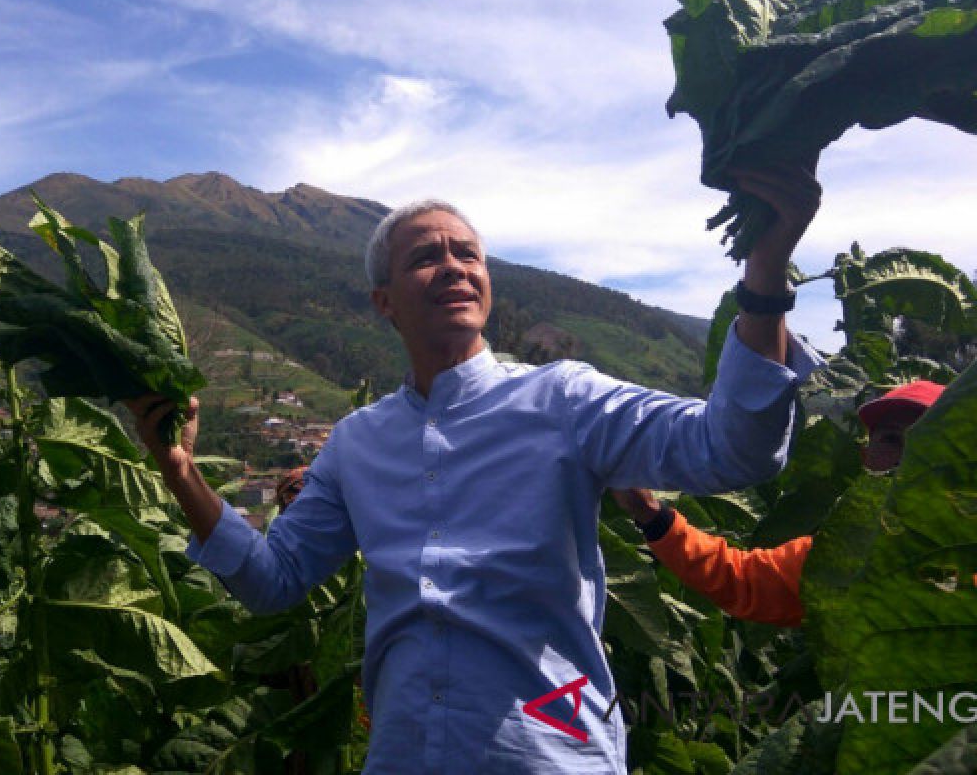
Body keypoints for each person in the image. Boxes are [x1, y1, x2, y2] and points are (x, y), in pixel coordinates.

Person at [127, 163, 823, 774]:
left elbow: (735, 448)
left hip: (551, 749)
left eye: (469, 254)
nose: (456, 266)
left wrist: (765, 275)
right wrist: (178, 467)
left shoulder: (564, 398)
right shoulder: (357, 442)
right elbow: (272, 581)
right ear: (384, 301)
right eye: (427, 256)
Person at [611, 379, 945, 627]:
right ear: (866, 457)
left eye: (931, 441)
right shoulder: (847, 556)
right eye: (891, 440)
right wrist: (650, 516)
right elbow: (743, 580)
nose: (909, 457)